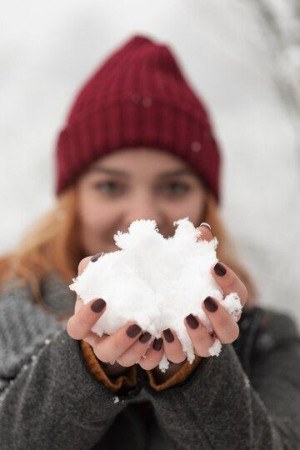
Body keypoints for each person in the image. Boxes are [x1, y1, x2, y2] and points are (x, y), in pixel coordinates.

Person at [0, 34, 299, 450]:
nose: (143, 215)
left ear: (206, 203)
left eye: (174, 186)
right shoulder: (5, 320)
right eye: (110, 186)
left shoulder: (264, 340)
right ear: (74, 199)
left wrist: (195, 369)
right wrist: (85, 365)